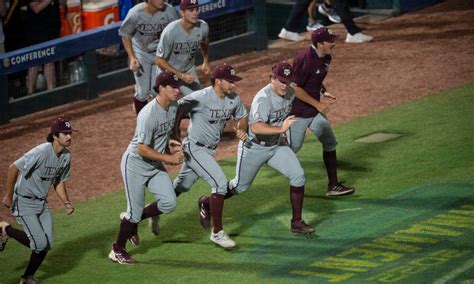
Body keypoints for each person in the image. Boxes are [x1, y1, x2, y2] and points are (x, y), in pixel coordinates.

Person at [226, 62, 316, 235]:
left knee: (298, 175)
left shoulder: (289, 92)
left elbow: (289, 107)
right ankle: (207, 203)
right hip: (254, 147)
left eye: (288, 81)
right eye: (281, 81)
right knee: (239, 187)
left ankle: (297, 222)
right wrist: (281, 129)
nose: (285, 85)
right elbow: (256, 127)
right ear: (272, 79)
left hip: (276, 145)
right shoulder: (263, 99)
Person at [109, 71, 184, 265]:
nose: (178, 90)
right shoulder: (148, 114)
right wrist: (169, 158)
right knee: (133, 213)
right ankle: (117, 250)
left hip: (154, 164)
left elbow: (171, 129)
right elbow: (142, 149)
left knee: (169, 203)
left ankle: (130, 220)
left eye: (178, 86)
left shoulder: (174, 106)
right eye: (173, 87)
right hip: (135, 165)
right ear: (161, 88)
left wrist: (174, 141)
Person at [172, 64, 248, 249]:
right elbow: (175, 111)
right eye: (230, 82)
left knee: (182, 185)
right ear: (218, 81)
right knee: (220, 183)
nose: (233, 85)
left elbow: (242, 116)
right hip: (194, 148)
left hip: (209, 150)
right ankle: (217, 233)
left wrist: (241, 128)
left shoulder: (233, 98)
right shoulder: (200, 97)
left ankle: (154, 210)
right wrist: (173, 138)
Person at [0, 118, 76, 284]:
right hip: (24, 202)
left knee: (47, 243)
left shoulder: (66, 156)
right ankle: (6, 229)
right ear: (55, 136)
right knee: (39, 243)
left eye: (70, 133)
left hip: (41, 203)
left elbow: (58, 181)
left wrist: (66, 202)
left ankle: (27, 277)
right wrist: (8, 194)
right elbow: (13, 167)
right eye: (66, 134)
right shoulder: (41, 152)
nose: (69, 136)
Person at [288, 27, 355, 197]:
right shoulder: (305, 58)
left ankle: (333, 185)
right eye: (330, 41)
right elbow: (295, 88)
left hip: (312, 108)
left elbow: (315, 78)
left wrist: (323, 90)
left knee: (329, 140)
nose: (334, 43)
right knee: (292, 149)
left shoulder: (326, 57)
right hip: (297, 110)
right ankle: (263, 153)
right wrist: (318, 104)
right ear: (319, 44)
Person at [119, 0, 178, 115]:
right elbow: (125, 34)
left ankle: (161, 123)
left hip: (160, 54)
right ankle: (143, 125)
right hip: (141, 53)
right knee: (142, 93)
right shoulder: (135, 13)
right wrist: (132, 57)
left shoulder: (169, 11)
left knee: (158, 91)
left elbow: (176, 33)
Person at [155, 0, 210, 96]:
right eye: (191, 10)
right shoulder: (170, 32)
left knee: (198, 102)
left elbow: (204, 42)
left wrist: (206, 61)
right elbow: (159, 60)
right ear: (182, 13)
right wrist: (180, 75)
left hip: (187, 69)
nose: (195, 13)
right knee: (167, 106)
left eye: (197, 9)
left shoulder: (203, 27)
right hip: (167, 72)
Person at [25, 0, 66, 94]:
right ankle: (29, 93)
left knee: (50, 60)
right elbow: (36, 8)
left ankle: (51, 92)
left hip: (52, 28)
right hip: (36, 31)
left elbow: (63, 3)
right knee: (34, 61)